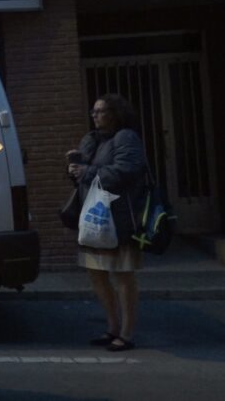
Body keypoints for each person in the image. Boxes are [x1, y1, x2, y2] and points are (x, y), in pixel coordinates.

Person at [67, 93, 147, 352]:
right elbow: (86, 177)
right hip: (93, 218)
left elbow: (126, 171)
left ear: (115, 113)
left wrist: (88, 172)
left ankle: (127, 333)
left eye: (100, 111)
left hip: (118, 217)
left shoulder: (125, 138)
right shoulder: (91, 140)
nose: (95, 116)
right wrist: (75, 170)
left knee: (122, 274)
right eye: (93, 111)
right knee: (96, 274)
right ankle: (112, 327)